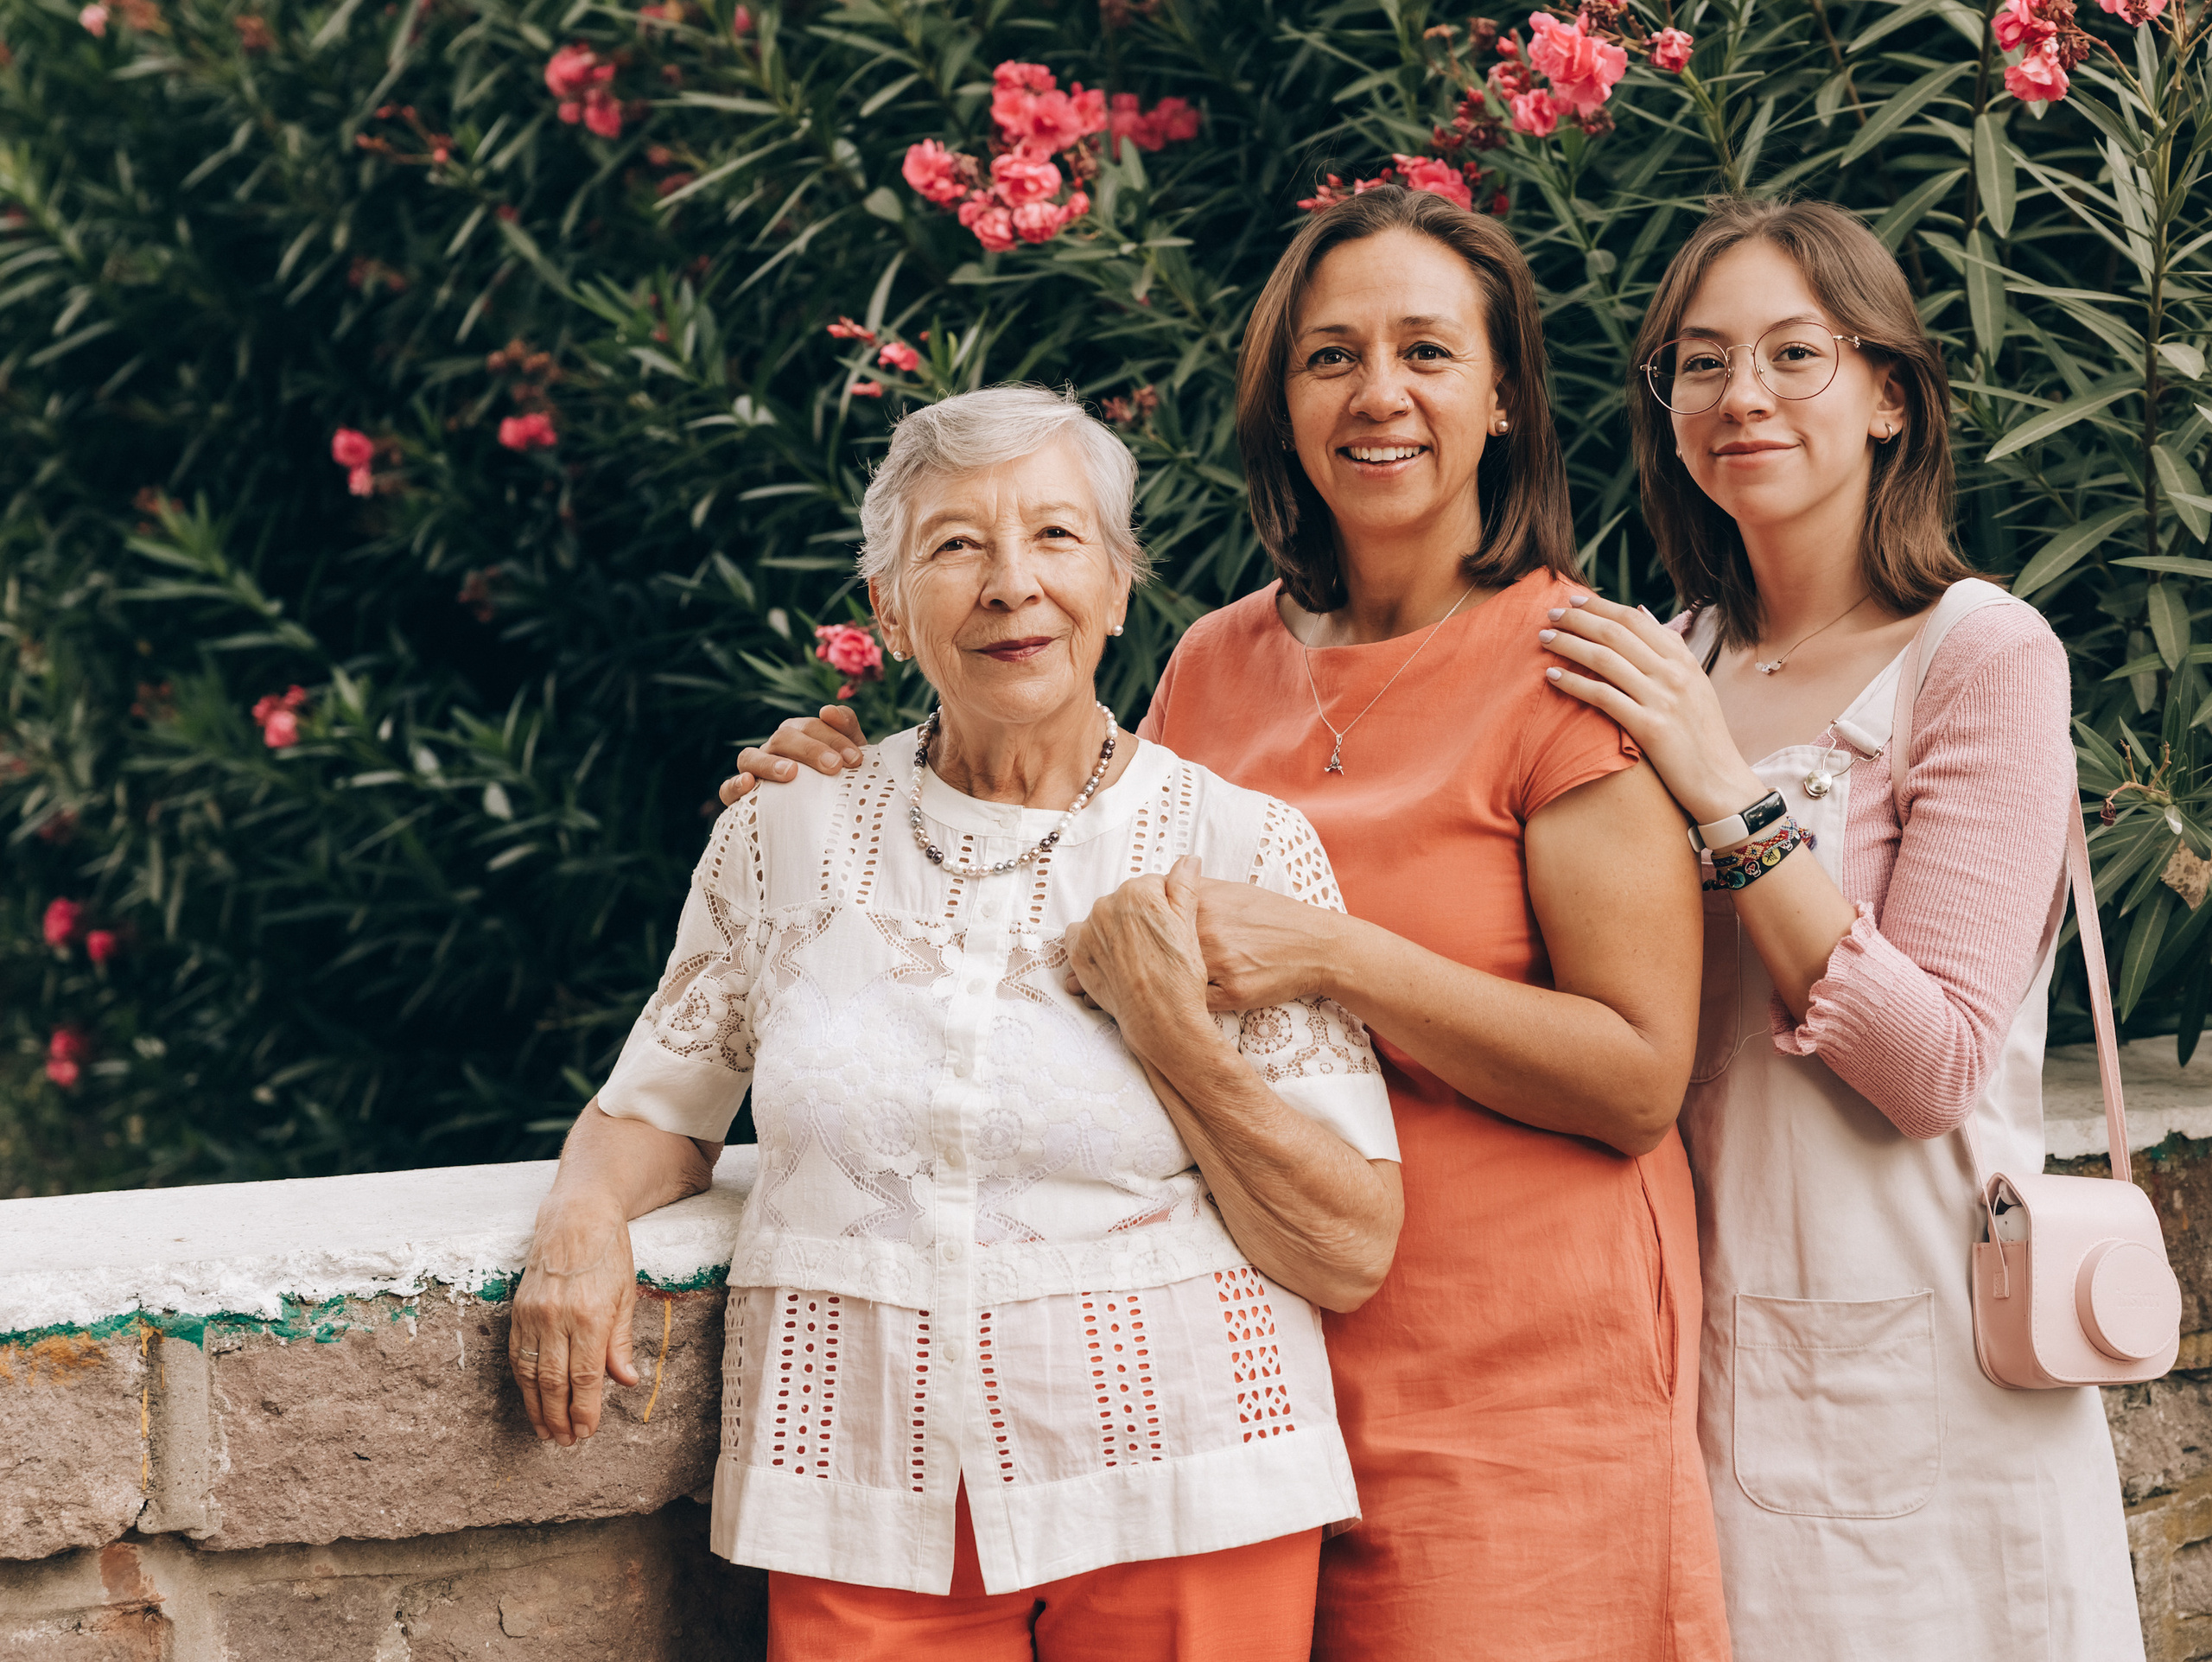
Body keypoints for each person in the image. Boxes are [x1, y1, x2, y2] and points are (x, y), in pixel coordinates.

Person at [723, 187, 1730, 1661]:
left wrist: (1334, 954)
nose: (1377, 394)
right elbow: (1036, 844)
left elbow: (1640, 1077)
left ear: (1505, 394)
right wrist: (842, 789)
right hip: (1243, 1374)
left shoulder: (1572, 669)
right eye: (1331, 356)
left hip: (1512, 1372)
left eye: (1428, 354)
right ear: (1282, 398)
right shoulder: (1215, 663)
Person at [507, 385, 1406, 1662]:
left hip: (1188, 1479)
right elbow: (657, 1108)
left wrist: (1174, 1033)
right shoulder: (782, 836)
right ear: (888, 606)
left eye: (1054, 537)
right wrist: (580, 1223)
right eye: (955, 545)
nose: (1009, 585)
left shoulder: (1240, 846)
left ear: (1117, 585)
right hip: (864, 1490)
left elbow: (1353, 1241)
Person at [1537, 197, 2141, 1659]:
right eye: (1698, 362)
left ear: (1888, 397)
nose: (1739, 395)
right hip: (1688, 1349)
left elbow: (1931, 1064)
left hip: (1931, 1360)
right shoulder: (1660, 661)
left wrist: (1725, 795)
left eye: (1793, 355)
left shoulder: (1981, 655)